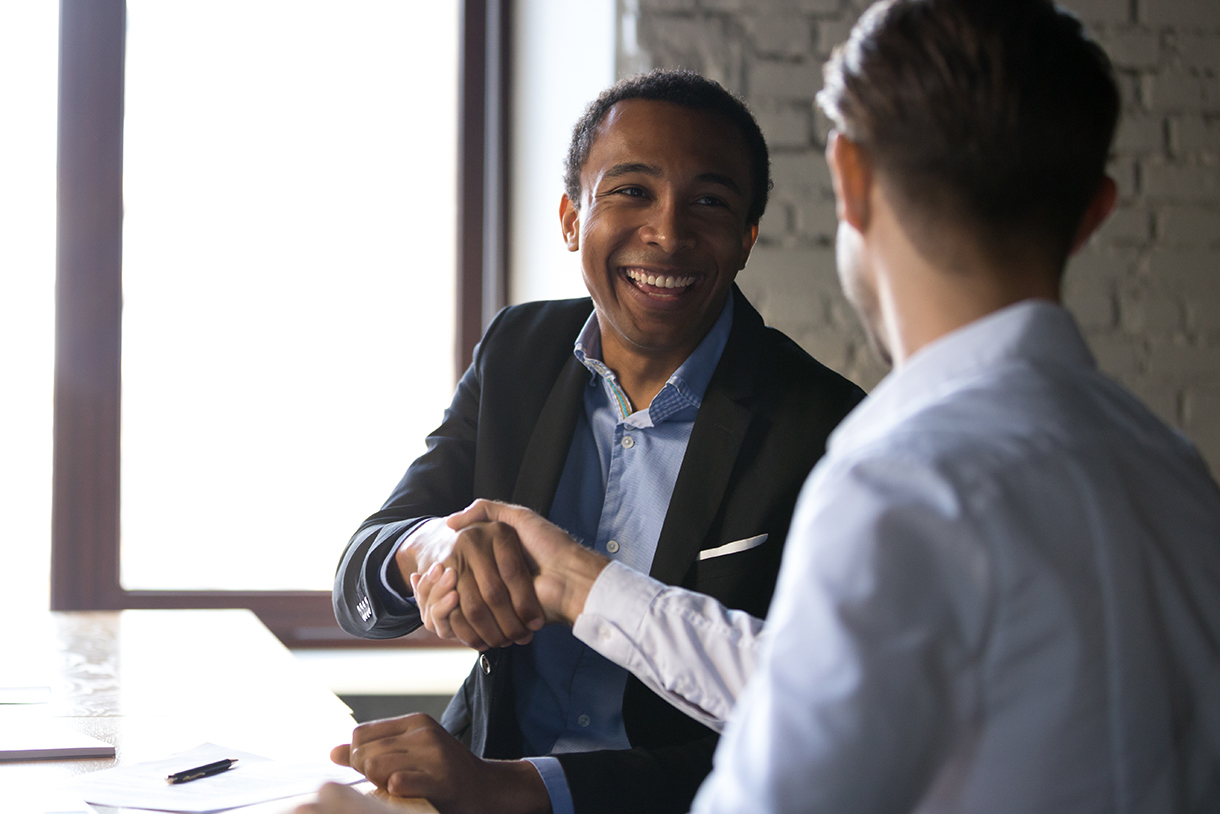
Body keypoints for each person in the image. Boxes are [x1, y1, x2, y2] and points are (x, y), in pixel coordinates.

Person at [403, 1, 1220, 812]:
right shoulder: (1177, 477)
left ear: (849, 181)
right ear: (1096, 212)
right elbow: (802, 678)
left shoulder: (896, 477)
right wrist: (579, 580)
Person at [329, 69, 865, 814]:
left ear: (747, 239)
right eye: (631, 191)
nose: (669, 234)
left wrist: (520, 789)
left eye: (709, 202)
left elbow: (802, 726)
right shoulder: (520, 348)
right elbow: (358, 581)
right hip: (470, 784)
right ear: (571, 218)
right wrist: (430, 551)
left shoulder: (828, 428)